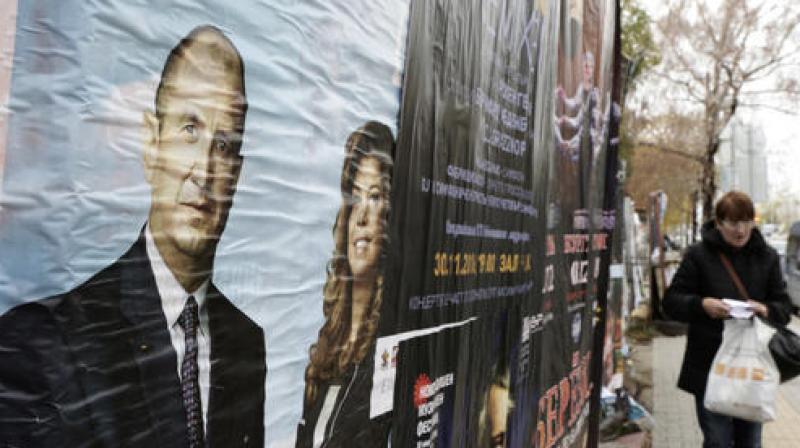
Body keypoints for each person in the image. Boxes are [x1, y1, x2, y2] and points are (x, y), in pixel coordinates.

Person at [0, 26, 265, 448]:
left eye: (225, 144)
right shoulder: (46, 343)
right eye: (189, 130)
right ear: (151, 143)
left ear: (237, 173)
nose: (204, 171)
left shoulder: (247, 345)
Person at [664, 191, 792, 448]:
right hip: (710, 365)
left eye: (747, 221)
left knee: (750, 442)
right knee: (717, 441)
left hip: (752, 368)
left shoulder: (766, 257)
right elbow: (670, 302)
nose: (741, 230)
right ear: (719, 223)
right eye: (733, 223)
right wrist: (702, 305)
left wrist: (765, 309)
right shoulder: (698, 255)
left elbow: (784, 308)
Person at [296, 121, 394, 447]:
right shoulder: (329, 346)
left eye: (376, 197)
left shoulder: (387, 349)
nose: (362, 216)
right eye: (355, 198)